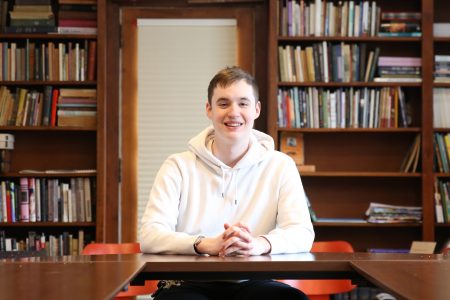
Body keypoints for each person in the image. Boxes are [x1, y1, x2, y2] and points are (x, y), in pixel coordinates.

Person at [140, 66, 315, 300]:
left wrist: (259, 244)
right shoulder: (177, 165)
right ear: (209, 110)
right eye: (223, 103)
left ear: (257, 109)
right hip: (187, 283)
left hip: (257, 280)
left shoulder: (281, 165)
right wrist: (204, 244)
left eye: (243, 103)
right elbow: (150, 235)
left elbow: (302, 233)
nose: (234, 112)